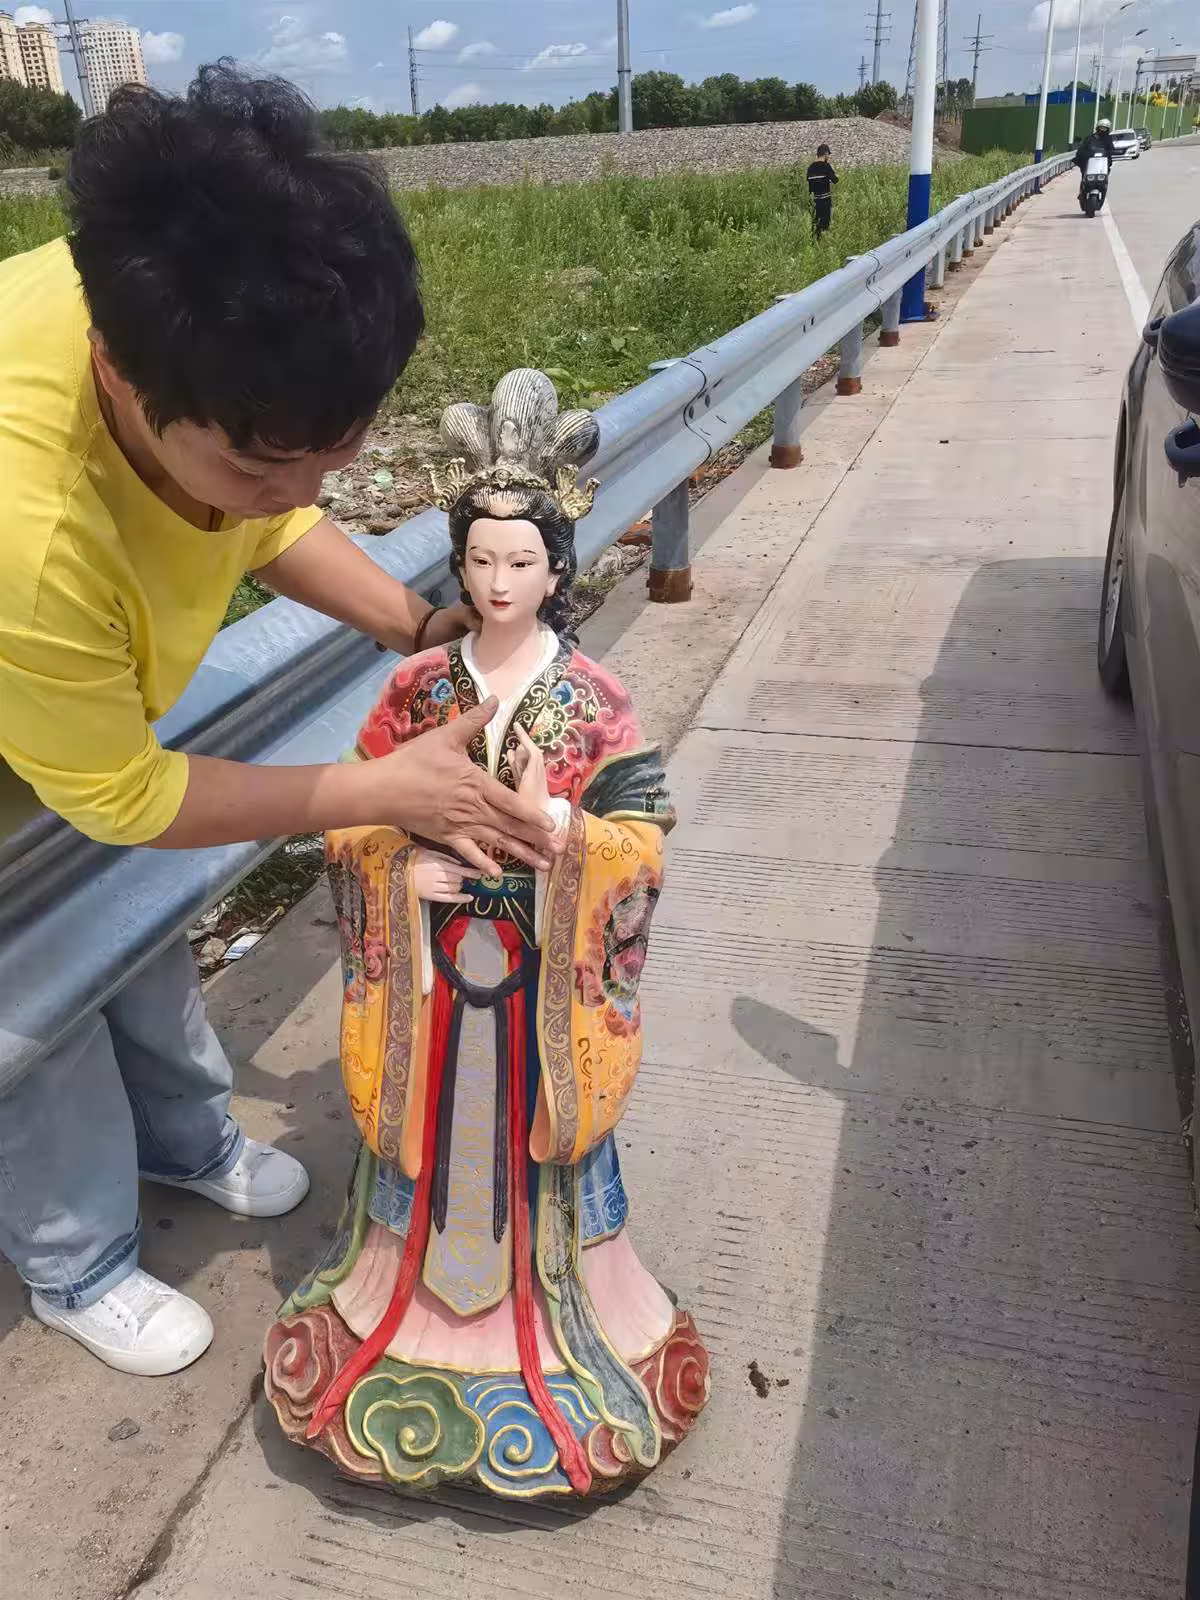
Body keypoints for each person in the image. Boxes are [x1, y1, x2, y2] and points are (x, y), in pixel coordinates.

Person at [0, 66, 560, 1379]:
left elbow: (271, 514)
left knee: (132, 922)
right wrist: (381, 789)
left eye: (337, 449)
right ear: (119, 379)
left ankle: (185, 1143)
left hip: (75, 683)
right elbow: (123, 796)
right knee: (35, 980)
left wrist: (417, 627)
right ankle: (76, 1257)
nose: (298, 487)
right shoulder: (30, 526)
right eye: (261, 462)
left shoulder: (200, 322)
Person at [263, 369, 710, 1500]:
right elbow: (352, 814)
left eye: (521, 561)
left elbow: (643, 840)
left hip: (542, 995)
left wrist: (566, 835)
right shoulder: (419, 687)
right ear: (457, 565)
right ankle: (393, 1318)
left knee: (538, 1161)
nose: (499, 583)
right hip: (430, 988)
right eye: (479, 559)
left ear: (559, 570)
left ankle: (566, 1335)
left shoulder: (593, 698)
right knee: (420, 1169)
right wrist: (396, 866)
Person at [1074, 118, 1116, 191]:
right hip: (1089, 162)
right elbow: (1082, 148)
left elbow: (1111, 149)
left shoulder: (1108, 139)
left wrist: (1112, 152)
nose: (1102, 130)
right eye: (1101, 128)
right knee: (1084, 169)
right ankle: (1083, 188)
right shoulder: (1089, 138)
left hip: (1102, 162)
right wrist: (1083, 153)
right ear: (1097, 128)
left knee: (1108, 168)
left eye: (1105, 129)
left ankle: (1104, 185)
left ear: (1108, 129)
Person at [806, 142, 839, 237]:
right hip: (825, 200)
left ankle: (815, 241)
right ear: (825, 154)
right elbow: (835, 180)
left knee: (815, 224)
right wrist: (834, 176)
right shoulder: (826, 166)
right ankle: (824, 241)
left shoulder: (811, 167)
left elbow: (809, 181)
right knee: (825, 224)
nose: (828, 157)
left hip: (814, 201)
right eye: (828, 155)